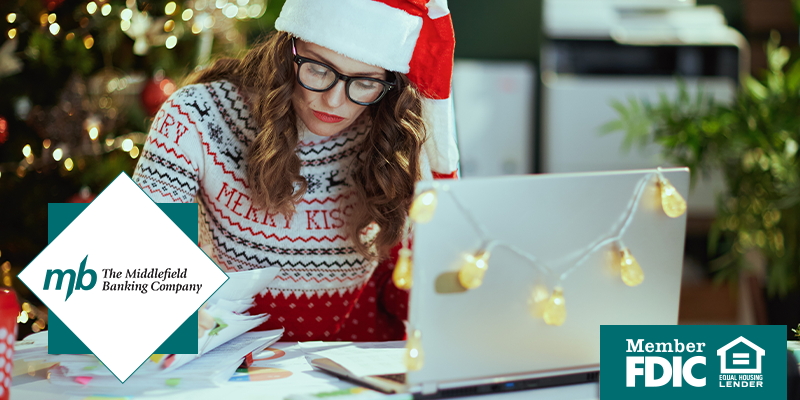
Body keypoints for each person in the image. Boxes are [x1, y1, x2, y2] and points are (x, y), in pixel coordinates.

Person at [133, 0, 459, 341]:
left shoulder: (397, 132)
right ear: (286, 49)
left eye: (364, 82)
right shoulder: (196, 116)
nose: (334, 101)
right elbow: (138, 257)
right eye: (318, 69)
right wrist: (164, 300)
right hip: (234, 369)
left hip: (356, 370)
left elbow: (421, 297)